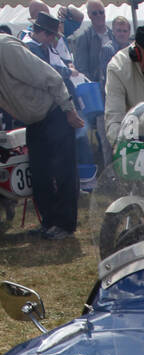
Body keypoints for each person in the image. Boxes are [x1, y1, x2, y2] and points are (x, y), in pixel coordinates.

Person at [0, 29, 84, 236]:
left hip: (54, 112)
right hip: (33, 120)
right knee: (40, 175)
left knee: (62, 171)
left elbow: (50, 76)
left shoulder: (6, 48)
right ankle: (48, 223)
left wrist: (68, 109)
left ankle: (65, 225)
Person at [73, 0, 113, 83]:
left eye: (101, 12)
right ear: (89, 15)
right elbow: (81, 69)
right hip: (96, 87)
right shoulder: (83, 38)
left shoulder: (113, 35)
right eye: (95, 13)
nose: (99, 15)